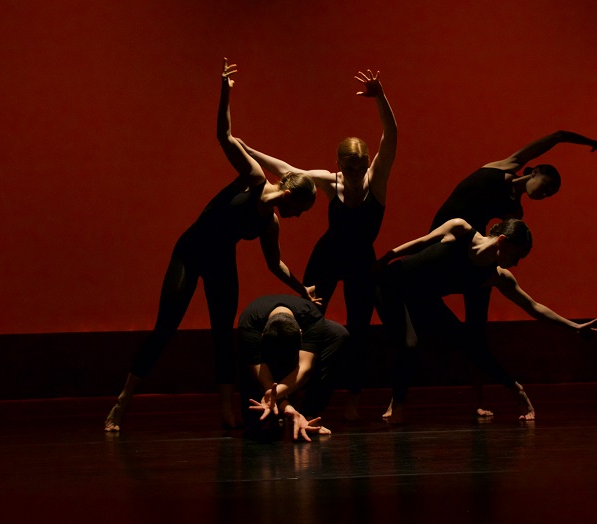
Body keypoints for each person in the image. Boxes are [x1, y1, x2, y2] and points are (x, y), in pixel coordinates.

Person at [104, 58, 319, 432]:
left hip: (221, 261)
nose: (297, 217)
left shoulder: (269, 223)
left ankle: (225, 410)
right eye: (299, 210)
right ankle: (122, 403)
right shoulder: (252, 178)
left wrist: (302, 288)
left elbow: (275, 264)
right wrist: (225, 93)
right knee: (165, 328)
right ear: (287, 193)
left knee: (224, 335)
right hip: (190, 252)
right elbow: (225, 135)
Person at [238, 69, 397, 420]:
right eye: (349, 169)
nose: (355, 175)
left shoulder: (377, 182)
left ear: (367, 164)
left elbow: (391, 138)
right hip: (327, 257)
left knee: (358, 330)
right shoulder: (330, 182)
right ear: (338, 165)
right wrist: (248, 150)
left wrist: (380, 97)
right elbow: (288, 170)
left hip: (360, 263)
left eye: (360, 168)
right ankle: (290, 390)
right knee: (306, 320)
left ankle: (351, 399)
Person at [430, 130, 597, 418]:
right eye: (546, 185)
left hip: (470, 253)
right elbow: (558, 136)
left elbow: (502, 240)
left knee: (477, 329)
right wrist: (592, 143)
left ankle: (478, 399)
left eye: (549, 194)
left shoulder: (514, 212)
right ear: (534, 170)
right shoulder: (506, 166)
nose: (545, 194)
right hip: (441, 238)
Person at [374, 218, 597, 424]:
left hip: (421, 296)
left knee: (467, 343)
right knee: (409, 343)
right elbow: (423, 242)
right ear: (502, 241)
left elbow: (533, 307)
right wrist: (388, 256)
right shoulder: (460, 229)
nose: (516, 263)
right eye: (516, 256)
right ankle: (398, 407)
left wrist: (574, 328)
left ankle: (517, 390)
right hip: (390, 284)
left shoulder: (496, 276)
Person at [239, 295, 348, 441]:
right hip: (263, 352)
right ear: (262, 336)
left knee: (338, 333)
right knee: (256, 423)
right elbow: (263, 379)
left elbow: (304, 370)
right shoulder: (249, 324)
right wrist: (288, 407)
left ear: (301, 333)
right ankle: (268, 416)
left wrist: (277, 399)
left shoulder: (311, 317)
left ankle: (310, 413)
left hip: (301, 338)